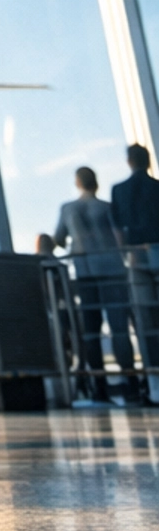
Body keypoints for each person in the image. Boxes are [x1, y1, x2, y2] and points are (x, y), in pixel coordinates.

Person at [51, 167, 139, 403]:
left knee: (91, 331)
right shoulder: (106, 207)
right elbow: (120, 237)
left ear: (78, 183)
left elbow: (59, 239)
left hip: (85, 271)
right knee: (119, 329)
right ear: (95, 182)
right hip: (112, 270)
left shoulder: (68, 209)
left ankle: (99, 387)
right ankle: (131, 384)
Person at [111, 144, 159, 393]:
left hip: (136, 257)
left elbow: (118, 229)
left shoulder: (119, 190)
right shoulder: (156, 187)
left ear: (129, 161)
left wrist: (125, 255)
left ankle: (153, 381)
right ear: (148, 161)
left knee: (145, 319)